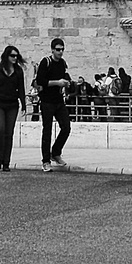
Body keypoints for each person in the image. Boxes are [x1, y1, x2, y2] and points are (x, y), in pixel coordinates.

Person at [0, 44, 28, 171]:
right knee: (0, 130)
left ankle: (6, 162)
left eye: (16, 56)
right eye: (12, 56)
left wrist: (24, 105)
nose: (15, 58)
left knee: (9, 133)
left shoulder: (18, 71)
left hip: (12, 104)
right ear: (6, 56)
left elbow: (21, 89)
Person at [34, 38, 73, 171]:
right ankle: (45, 160)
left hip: (58, 100)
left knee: (66, 127)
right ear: (52, 50)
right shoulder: (46, 62)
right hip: (46, 101)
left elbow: (63, 78)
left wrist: (66, 83)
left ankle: (55, 152)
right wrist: (57, 82)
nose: (60, 52)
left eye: (62, 49)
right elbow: (40, 81)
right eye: (58, 49)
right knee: (47, 130)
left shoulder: (62, 63)